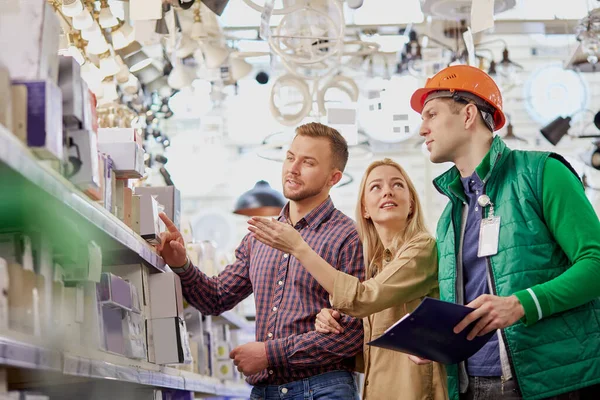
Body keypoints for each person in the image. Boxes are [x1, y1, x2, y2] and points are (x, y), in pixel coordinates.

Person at [408, 64, 600, 400]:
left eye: (431, 114)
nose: (422, 129)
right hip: (471, 386)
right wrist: (437, 340)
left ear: (468, 115)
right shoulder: (451, 212)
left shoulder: (542, 173)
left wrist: (523, 304)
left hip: (553, 382)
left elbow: (595, 262)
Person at [157, 122, 366, 400]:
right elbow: (216, 298)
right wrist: (182, 264)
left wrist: (269, 354)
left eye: (308, 162)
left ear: (333, 178)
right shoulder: (259, 237)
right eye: (290, 157)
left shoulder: (348, 237)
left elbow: (352, 335)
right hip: (265, 392)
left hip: (323, 389)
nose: (293, 168)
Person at [248, 158, 448, 400]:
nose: (387, 191)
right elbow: (368, 348)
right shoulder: (375, 267)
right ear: (364, 209)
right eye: (376, 187)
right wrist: (333, 319)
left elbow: (364, 298)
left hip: (413, 391)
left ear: (412, 205)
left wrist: (300, 248)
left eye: (397, 185)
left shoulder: (421, 248)